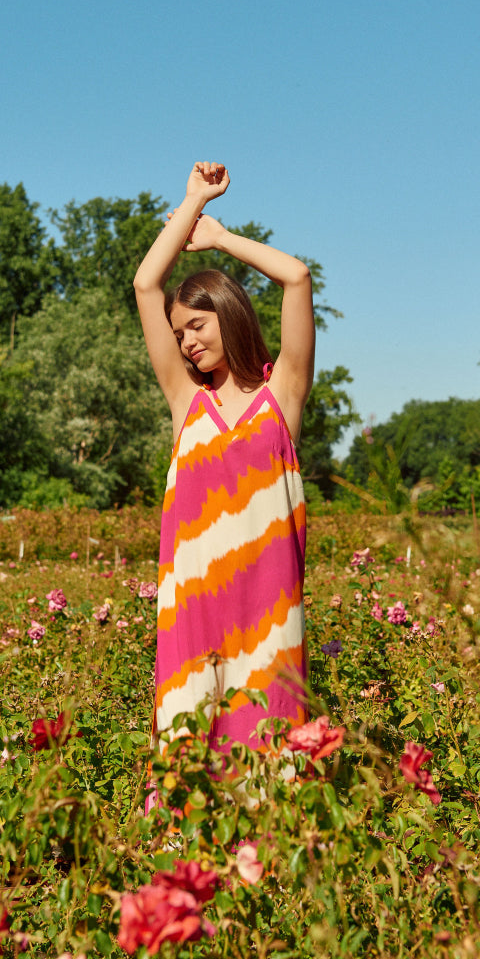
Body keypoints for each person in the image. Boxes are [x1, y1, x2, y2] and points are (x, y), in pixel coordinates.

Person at [133, 161, 316, 760]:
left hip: (269, 615)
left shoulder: (280, 396)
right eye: (178, 332)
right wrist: (189, 203)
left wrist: (218, 238)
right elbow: (144, 285)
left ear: (227, 312)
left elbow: (296, 277)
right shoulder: (187, 403)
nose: (186, 341)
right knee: (190, 749)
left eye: (196, 324)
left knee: (270, 743)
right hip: (191, 610)